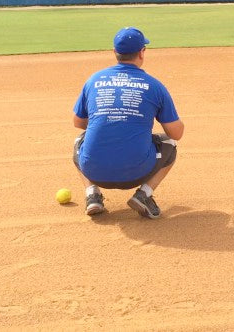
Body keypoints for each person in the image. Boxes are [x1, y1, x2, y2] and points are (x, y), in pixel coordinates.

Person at [72, 27, 185, 219]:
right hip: (137, 172)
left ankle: (92, 195)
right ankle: (144, 195)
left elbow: (79, 122)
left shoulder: (94, 80)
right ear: (142, 53)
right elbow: (177, 133)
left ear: (114, 53)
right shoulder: (154, 85)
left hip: (94, 170)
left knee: (79, 141)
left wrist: (110, 120)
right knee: (170, 144)